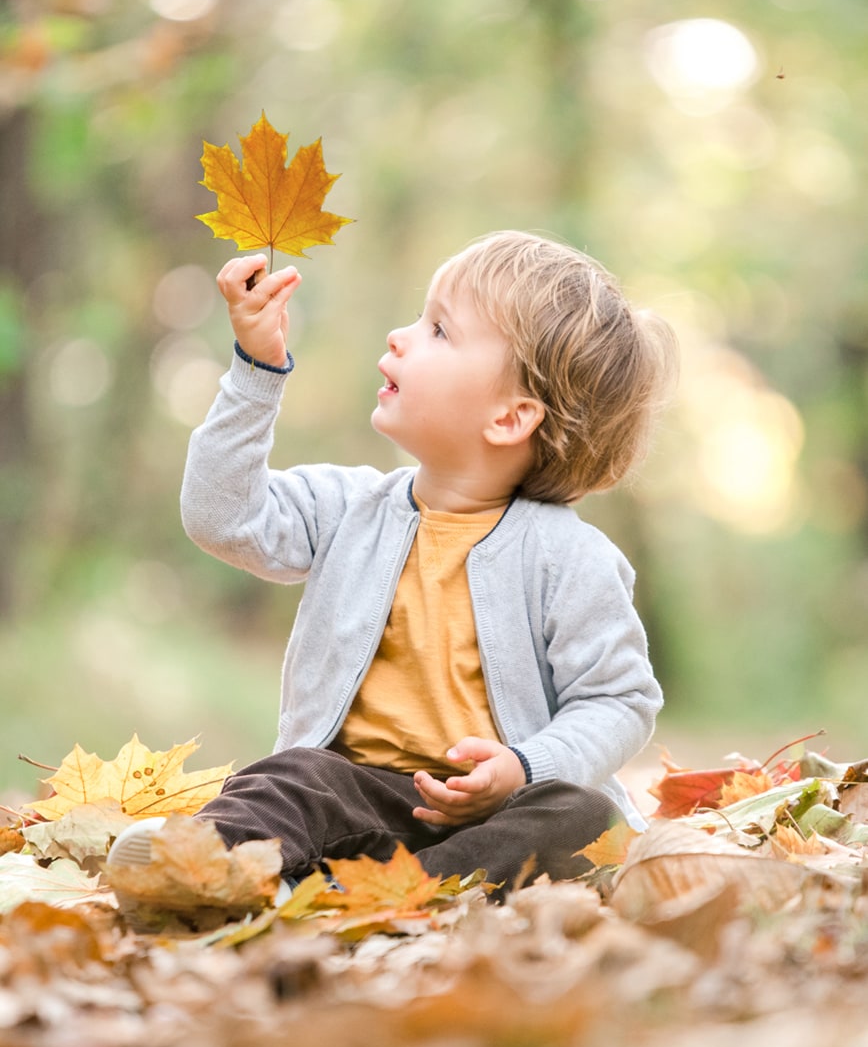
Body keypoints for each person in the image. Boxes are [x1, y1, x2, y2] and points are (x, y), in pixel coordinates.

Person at [109, 230, 678, 902]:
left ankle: (374, 893)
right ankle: (199, 867)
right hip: (356, 797)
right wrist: (255, 373)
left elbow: (618, 700)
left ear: (509, 417)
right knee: (287, 779)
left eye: (439, 330)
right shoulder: (347, 507)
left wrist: (524, 767)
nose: (401, 335)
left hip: (495, 814)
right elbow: (222, 517)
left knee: (584, 818)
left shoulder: (571, 559)